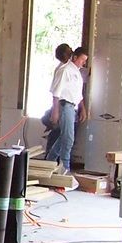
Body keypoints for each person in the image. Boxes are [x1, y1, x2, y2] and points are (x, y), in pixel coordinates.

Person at [47, 43, 84, 175]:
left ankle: (49, 162)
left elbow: (77, 94)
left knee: (63, 138)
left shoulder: (76, 72)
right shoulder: (64, 70)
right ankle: (65, 169)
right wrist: (55, 111)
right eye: (82, 60)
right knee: (68, 139)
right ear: (73, 57)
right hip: (65, 105)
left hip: (72, 106)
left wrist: (82, 108)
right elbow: (56, 92)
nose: (83, 63)